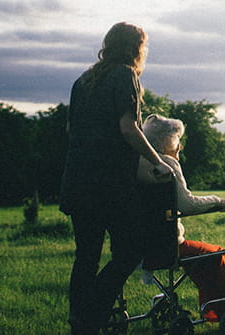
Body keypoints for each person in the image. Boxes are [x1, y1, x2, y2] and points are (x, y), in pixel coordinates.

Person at [59, 22, 174, 335]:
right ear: (135, 48)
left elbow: (71, 131)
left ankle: (79, 321)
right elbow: (128, 128)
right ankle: (92, 314)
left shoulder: (82, 81)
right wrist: (157, 162)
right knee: (130, 251)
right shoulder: (125, 76)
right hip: (108, 184)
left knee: (86, 256)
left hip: (77, 181)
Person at [136, 114, 225, 325]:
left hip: (138, 246)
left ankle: (217, 310)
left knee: (202, 256)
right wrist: (218, 201)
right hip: (166, 246)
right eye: (178, 140)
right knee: (217, 254)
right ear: (168, 141)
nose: (180, 146)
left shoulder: (137, 163)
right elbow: (187, 205)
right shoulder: (167, 163)